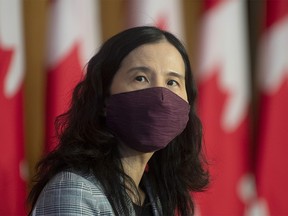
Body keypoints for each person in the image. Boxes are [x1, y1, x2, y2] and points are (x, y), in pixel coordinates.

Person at [28, 26, 209, 216]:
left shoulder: (154, 193)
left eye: (172, 82)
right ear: (104, 98)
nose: (161, 96)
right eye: (141, 78)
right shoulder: (72, 191)